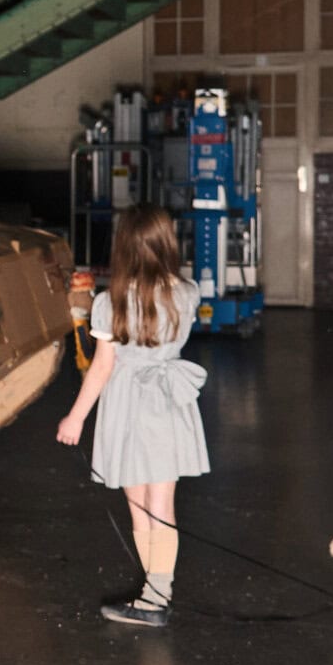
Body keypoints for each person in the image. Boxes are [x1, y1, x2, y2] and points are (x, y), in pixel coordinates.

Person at [54, 204, 209, 629]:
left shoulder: (110, 302)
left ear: (124, 246)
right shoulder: (187, 292)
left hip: (128, 405)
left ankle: (155, 597)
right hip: (169, 400)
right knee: (162, 501)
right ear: (167, 243)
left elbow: (102, 367)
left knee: (140, 504)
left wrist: (76, 418)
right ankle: (156, 592)